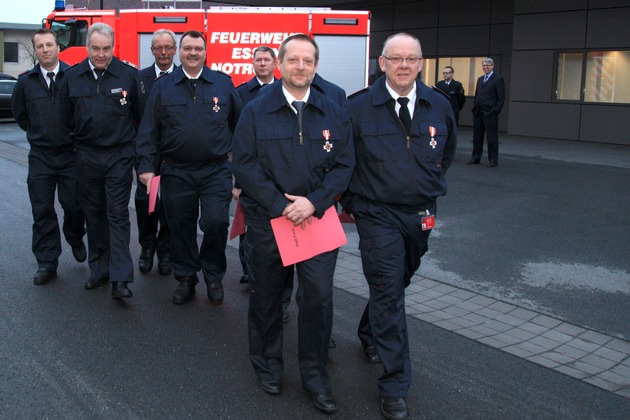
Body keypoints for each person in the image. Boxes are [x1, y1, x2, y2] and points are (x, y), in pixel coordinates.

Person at [233, 34, 354, 414]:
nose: (301, 66)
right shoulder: (255, 110)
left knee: (318, 299)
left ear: (316, 67)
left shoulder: (333, 110)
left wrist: (314, 203)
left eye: (308, 60)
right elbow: (244, 163)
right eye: (294, 60)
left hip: (316, 219)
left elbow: (345, 165)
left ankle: (316, 377)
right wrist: (279, 206)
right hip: (269, 219)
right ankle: (268, 365)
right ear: (281, 64)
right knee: (267, 297)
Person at [342, 33, 456, 420]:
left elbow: (448, 152)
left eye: (411, 59)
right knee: (389, 290)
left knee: (396, 283)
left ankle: (370, 331)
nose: (404, 65)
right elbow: (343, 160)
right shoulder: (358, 107)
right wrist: (352, 203)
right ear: (382, 63)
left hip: (421, 215)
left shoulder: (439, 105)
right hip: (377, 215)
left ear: (421, 63)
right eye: (396, 58)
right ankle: (394, 384)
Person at [135, 30, 242, 306]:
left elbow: (241, 129)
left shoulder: (222, 84)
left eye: (198, 48)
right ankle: (186, 277)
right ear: (179, 52)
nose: (193, 53)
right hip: (176, 171)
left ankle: (214, 275)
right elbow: (148, 130)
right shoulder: (163, 87)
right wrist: (146, 167)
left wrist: (240, 173)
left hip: (215, 171)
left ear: (206, 52)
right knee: (180, 227)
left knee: (216, 223)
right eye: (187, 48)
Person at [59, 22, 146, 299]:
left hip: (119, 156)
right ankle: (99, 270)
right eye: (95, 48)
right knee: (94, 214)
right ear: (87, 48)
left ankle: (120, 279)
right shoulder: (72, 78)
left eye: (106, 49)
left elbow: (140, 118)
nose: (101, 54)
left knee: (118, 215)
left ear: (113, 47)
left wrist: (136, 155)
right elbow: (64, 119)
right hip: (86, 156)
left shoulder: (128, 75)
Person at [11, 28, 86, 286]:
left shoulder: (74, 77)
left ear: (58, 47)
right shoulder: (25, 82)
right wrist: (39, 133)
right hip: (41, 157)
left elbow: (82, 113)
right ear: (36, 49)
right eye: (40, 46)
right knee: (42, 210)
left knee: (74, 207)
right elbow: (21, 116)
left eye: (49, 44)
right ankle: (47, 262)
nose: (45, 49)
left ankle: (75, 237)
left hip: (70, 156)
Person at [234, 45, 278, 285]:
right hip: (252, 170)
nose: (262, 64)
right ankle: (248, 269)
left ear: (275, 64)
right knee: (248, 226)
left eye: (266, 60)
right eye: (258, 60)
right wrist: (238, 182)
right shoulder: (241, 93)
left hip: (278, 170)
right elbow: (239, 141)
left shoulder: (284, 91)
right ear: (253, 64)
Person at [135, 29, 177, 276]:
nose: (163, 52)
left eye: (168, 47)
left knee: (172, 205)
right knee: (145, 204)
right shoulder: (139, 79)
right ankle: (147, 247)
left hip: (174, 154)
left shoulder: (183, 78)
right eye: (158, 48)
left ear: (175, 50)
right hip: (147, 154)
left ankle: (166, 250)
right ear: (152, 51)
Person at [469, 57, 505, 167]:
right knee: (477, 137)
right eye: (484, 65)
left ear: (492, 66)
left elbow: (501, 97)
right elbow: (477, 95)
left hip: (490, 113)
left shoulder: (498, 79)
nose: (485, 67)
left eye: (487, 65)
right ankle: (476, 158)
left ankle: (493, 160)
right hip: (478, 112)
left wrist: (496, 110)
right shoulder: (480, 79)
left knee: (492, 138)